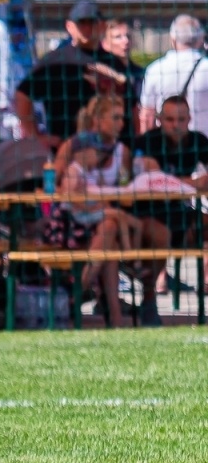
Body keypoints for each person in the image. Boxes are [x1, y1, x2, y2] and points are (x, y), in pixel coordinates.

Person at [43, 131, 136, 328]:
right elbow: (72, 202)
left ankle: (109, 310)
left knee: (111, 240)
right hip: (71, 227)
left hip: (87, 224)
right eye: (96, 153)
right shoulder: (73, 171)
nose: (100, 158)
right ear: (82, 153)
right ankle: (83, 290)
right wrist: (97, 207)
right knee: (112, 227)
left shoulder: (87, 172)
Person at [14, 0, 131, 147]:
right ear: (69, 26)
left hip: (111, 148)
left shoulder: (114, 63)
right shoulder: (54, 62)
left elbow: (131, 106)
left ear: (102, 26)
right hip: (67, 148)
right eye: (82, 23)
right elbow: (22, 95)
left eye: (92, 22)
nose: (87, 28)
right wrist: (35, 136)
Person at [135, 95, 208, 253]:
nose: (176, 125)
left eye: (181, 119)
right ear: (160, 119)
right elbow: (155, 183)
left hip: (179, 210)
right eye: (170, 119)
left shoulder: (198, 141)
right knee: (162, 236)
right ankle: (150, 276)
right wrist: (193, 183)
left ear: (189, 119)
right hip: (148, 211)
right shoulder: (147, 142)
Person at [139, 15, 208, 135]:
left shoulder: (155, 69)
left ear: (173, 39)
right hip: (203, 143)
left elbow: (147, 115)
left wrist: (147, 145)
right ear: (200, 39)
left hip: (167, 142)